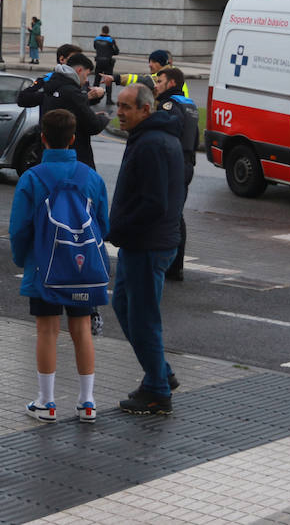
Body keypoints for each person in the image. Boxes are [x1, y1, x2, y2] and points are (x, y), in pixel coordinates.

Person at [10, 109, 111, 423]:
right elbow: (103, 225)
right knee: (82, 331)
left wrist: (23, 258)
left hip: (44, 268)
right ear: (73, 138)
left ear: (42, 139)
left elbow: (19, 229)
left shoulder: (32, 178)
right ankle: (88, 402)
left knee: (47, 331)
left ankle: (47, 402)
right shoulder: (91, 177)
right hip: (82, 271)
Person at [109, 83, 185, 415]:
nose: (120, 113)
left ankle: (157, 390)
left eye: (127, 107)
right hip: (143, 242)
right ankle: (161, 373)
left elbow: (154, 202)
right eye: (119, 106)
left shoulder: (152, 143)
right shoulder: (150, 137)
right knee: (124, 305)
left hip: (147, 244)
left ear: (146, 109)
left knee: (142, 318)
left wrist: (119, 229)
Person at [155, 66, 199, 282]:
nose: (156, 86)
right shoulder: (189, 104)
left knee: (168, 214)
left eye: (159, 81)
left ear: (171, 83)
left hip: (173, 163)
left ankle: (169, 265)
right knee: (177, 214)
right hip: (188, 162)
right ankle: (177, 265)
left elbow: (164, 134)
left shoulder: (168, 104)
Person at [41, 53, 111, 168]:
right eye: (86, 75)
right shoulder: (72, 92)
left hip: (49, 154)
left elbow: (73, 107)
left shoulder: (53, 85)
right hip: (74, 156)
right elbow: (93, 125)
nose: (86, 80)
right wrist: (104, 118)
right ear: (79, 70)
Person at [16, 43, 84, 112]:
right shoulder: (47, 78)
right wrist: (49, 97)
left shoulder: (82, 79)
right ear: (62, 59)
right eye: (75, 60)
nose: (79, 63)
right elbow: (22, 98)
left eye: (81, 60)